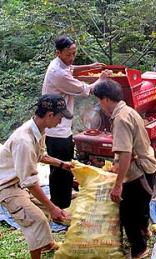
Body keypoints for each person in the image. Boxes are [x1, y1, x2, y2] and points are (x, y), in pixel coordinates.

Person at [0, 95, 72, 259]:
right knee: (36, 220)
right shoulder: (23, 140)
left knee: (46, 208)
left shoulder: (38, 130)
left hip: (18, 182)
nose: (60, 122)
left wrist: (62, 164)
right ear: (50, 115)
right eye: (60, 118)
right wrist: (53, 207)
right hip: (6, 186)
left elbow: (40, 155)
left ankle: (48, 244)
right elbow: (30, 182)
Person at [42, 35, 109, 209]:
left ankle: (62, 195)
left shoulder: (60, 64)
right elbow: (85, 89)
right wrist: (100, 78)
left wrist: (89, 67)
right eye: (68, 54)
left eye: (74, 53)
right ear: (58, 53)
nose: (71, 58)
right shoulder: (58, 73)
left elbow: (72, 68)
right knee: (60, 166)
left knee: (64, 164)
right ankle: (59, 205)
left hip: (61, 125)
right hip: (56, 129)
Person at [93, 79, 156, 259]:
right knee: (141, 206)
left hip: (138, 172)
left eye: (99, 100)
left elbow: (126, 154)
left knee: (128, 213)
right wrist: (115, 166)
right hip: (148, 166)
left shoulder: (120, 118)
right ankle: (145, 231)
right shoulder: (129, 110)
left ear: (105, 99)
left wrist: (118, 184)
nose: (100, 105)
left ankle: (139, 250)